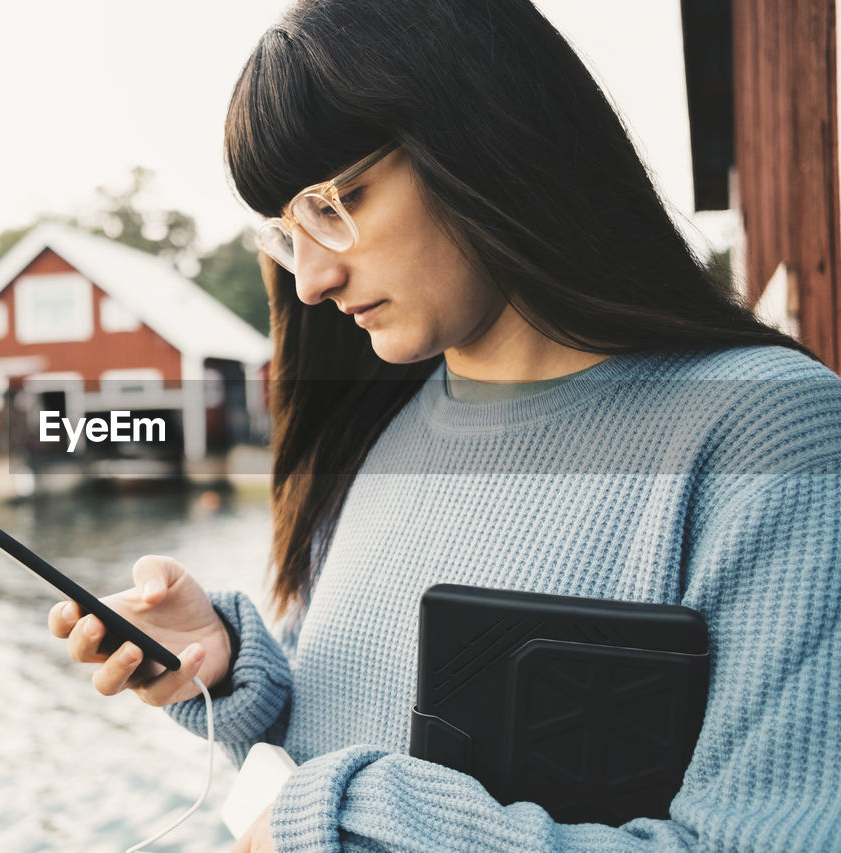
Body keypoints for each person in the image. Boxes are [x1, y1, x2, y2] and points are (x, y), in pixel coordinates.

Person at [48, 0, 841, 849]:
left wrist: (344, 820)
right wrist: (235, 670)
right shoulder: (374, 429)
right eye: (286, 234)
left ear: (485, 135)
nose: (311, 279)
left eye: (335, 203)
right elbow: (338, 734)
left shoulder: (770, 431)